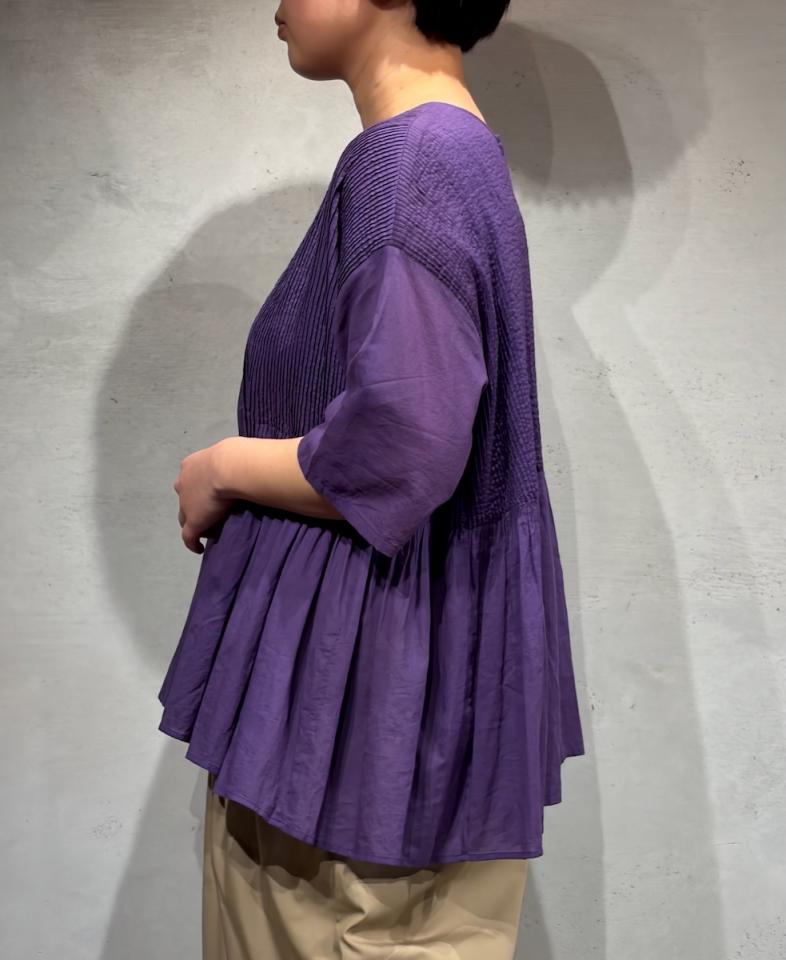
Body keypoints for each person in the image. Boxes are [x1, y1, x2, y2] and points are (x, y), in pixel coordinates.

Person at [159, 1, 585, 957]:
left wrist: (224, 466)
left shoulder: (415, 164)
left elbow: (401, 447)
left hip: (363, 711)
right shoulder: (444, 152)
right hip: (370, 697)